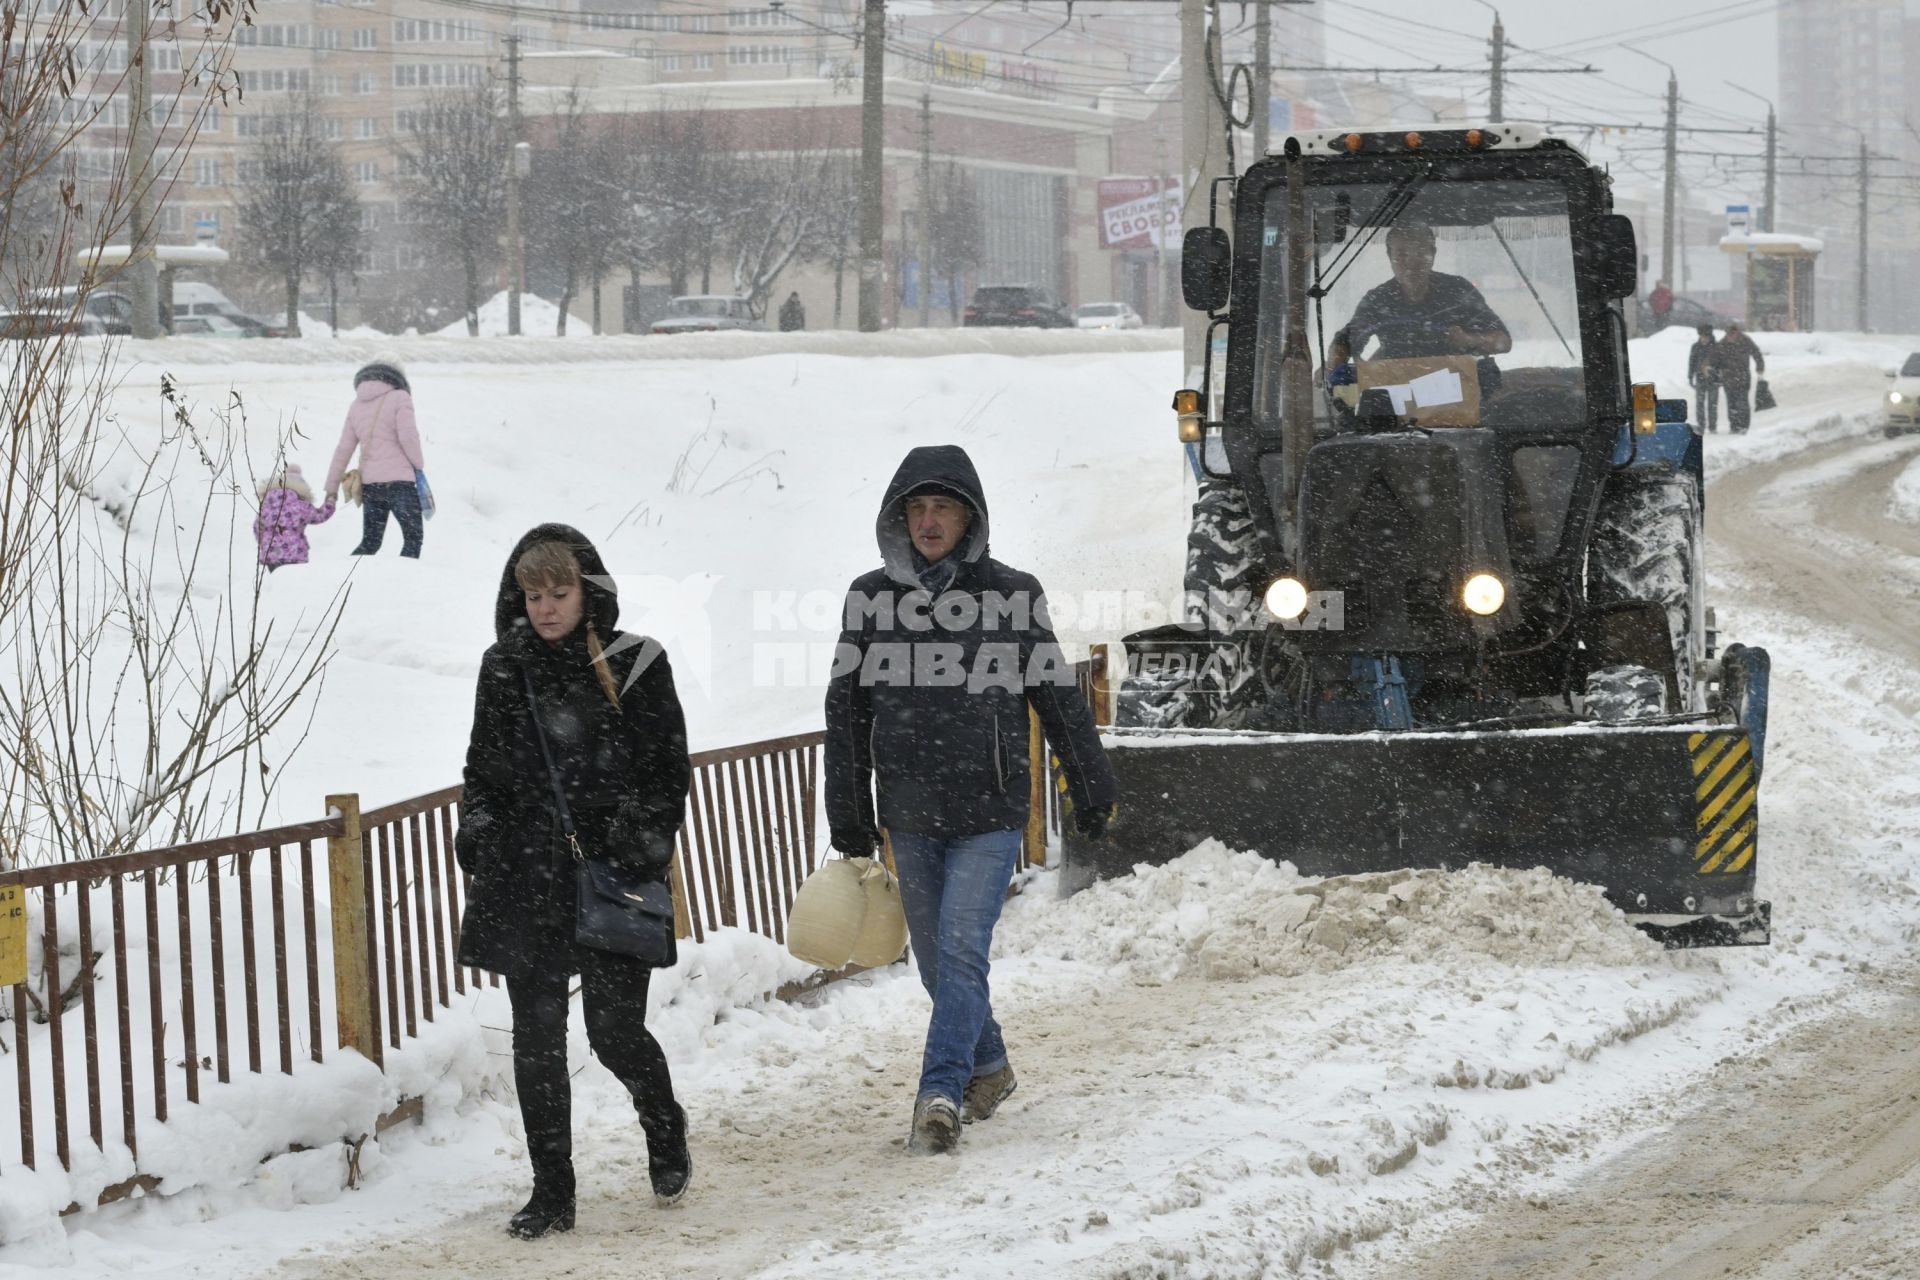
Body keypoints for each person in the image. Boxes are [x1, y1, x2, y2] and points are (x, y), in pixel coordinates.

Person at [825, 445, 1119, 1156]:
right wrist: (851, 814)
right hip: (911, 810)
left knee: (960, 948)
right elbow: (846, 711)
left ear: (970, 518)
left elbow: (1056, 697)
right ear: (900, 518)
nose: (929, 521)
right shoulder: (871, 598)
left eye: (943, 508)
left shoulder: (1013, 595)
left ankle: (941, 1088)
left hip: (990, 809)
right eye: (917, 509)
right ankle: (989, 1063)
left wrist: (1090, 785)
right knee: (934, 960)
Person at [454, 524, 693, 1239]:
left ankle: (663, 1121)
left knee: (615, 1032)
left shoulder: (637, 662)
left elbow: (667, 772)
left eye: (559, 593)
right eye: (534, 595)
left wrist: (632, 839)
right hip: (526, 876)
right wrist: (480, 829)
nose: (546, 607)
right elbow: (481, 773)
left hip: (612, 872)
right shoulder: (504, 668)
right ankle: (552, 1191)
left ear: (587, 592)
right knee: (536, 1041)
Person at [1340, 221, 1512, 362]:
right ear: (1389, 256)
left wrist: (1469, 340)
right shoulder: (1378, 300)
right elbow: (1346, 341)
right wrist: (1334, 363)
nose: (1411, 263)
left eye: (1420, 253)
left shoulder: (1458, 291)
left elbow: (1503, 342)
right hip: (1394, 392)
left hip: (1458, 391)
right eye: (1402, 254)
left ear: (1433, 254)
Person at [324, 360, 427, 558]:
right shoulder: (400, 397)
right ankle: (405, 582)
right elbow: (408, 437)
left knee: (370, 542)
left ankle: (347, 579)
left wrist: (331, 488)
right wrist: (418, 464)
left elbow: (343, 449)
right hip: (400, 484)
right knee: (413, 538)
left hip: (372, 486)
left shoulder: (356, 405)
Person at [253, 463, 334, 571]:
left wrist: (265, 542)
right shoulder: (300, 505)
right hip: (294, 555)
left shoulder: (266, 506)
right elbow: (319, 516)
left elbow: (257, 527)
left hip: (270, 555)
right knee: (290, 585)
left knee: (274, 585)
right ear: (301, 488)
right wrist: (330, 502)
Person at [1708, 321, 1766, 434]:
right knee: (1731, 403)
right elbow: (1714, 360)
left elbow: (1756, 353)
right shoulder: (1722, 344)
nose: (1731, 336)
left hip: (1743, 376)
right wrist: (1712, 370)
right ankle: (1734, 426)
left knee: (1742, 401)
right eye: (1729, 334)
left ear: (1737, 332)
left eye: (1733, 333)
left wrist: (1760, 366)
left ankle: (1744, 426)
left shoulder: (1745, 340)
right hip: (1727, 377)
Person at [1687, 324, 1721, 432]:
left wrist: (1717, 375)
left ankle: (1712, 426)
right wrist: (1690, 376)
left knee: (1712, 404)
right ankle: (1701, 425)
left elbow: (1722, 364)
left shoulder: (1717, 347)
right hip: (1700, 378)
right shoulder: (1695, 347)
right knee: (1699, 403)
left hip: (1714, 380)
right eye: (1702, 336)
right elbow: (1692, 362)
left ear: (1710, 336)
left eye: (1706, 336)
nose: (1704, 339)